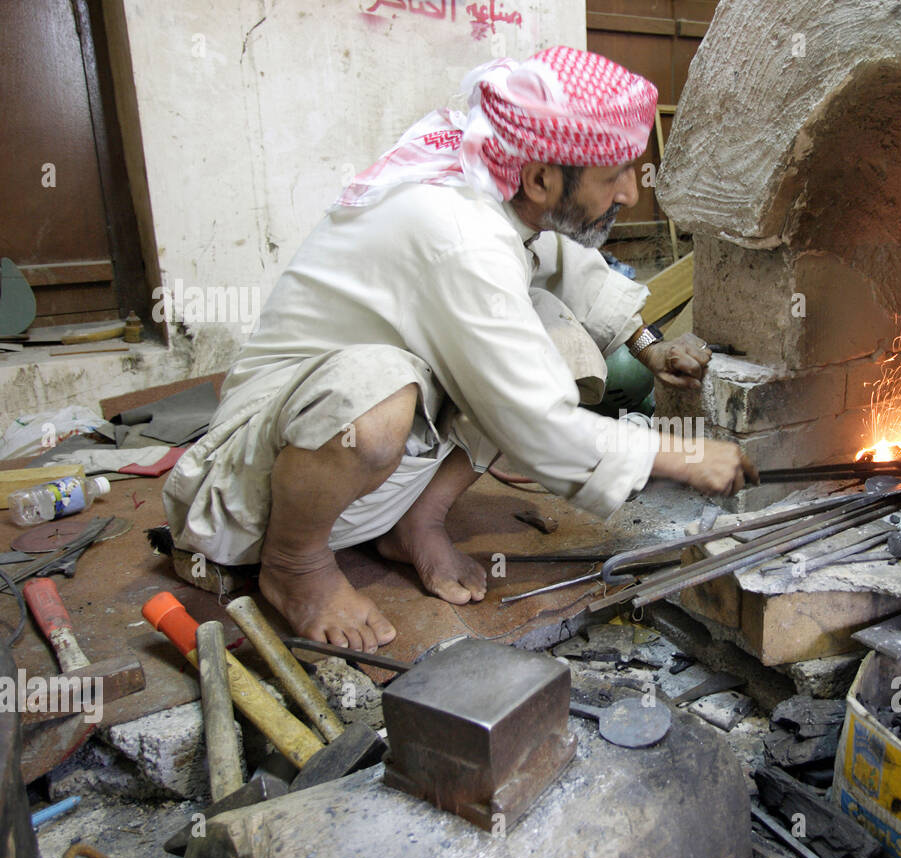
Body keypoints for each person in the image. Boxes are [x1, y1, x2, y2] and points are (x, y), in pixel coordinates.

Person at [162, 46, 756, 652]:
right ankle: (296, 565)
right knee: (377, 397)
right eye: (615, 176)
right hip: (248, 492)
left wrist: (648, 344)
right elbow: (536, 424)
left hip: (365, 480)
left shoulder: (490, 177)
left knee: (548, 333)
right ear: (541, 178)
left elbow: (558, 261)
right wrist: (683, 457)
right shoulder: (457, 234)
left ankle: (415, 522)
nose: (632, 192)